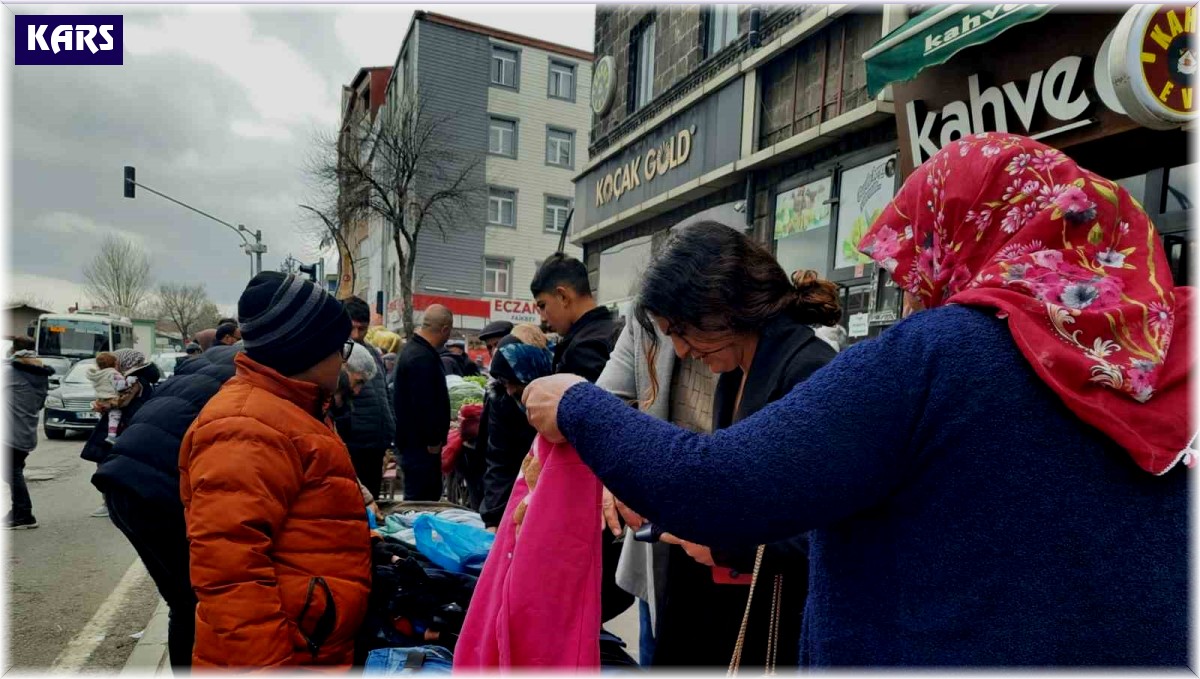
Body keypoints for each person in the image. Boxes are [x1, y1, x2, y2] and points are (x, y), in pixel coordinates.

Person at [521, 134, 1193, 667]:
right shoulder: (1161, 368)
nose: (910, 290)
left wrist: (577, 404)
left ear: (970, 233)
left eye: (918, 258)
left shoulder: (943, 355)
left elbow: (718, 482)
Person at [616, 222, 840, 668]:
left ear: (723, 307)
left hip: (771, 617)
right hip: (716, 606)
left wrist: (727, 542)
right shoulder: (736, 370)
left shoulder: (810, 372)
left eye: (682, 331)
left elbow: (831, 529)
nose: (679, 351)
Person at [179, 271, 370, 668]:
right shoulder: (247, 426)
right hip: (284, 654)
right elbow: (230, 575)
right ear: (307, 352)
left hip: (311, 643)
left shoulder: (291, 410)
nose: (342, 360)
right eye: (341, 349)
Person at [92, 340, 242, 668]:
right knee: (192, 600)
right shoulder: (249, 385)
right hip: (153, 490)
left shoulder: (216, 363)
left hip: (122, 478)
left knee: (183, 599)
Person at [478, 324, 544, 528]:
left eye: (514, 382)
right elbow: (499, 460)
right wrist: (493, 518)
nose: (509, 389)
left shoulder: (556, 399)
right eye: (504, 381)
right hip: (514, 493)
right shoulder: (501, 400)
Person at [81, 349, 161, 518]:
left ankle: (112, 503)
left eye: (118, 361)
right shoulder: (137, 377)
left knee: (109, 462)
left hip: (124, 426)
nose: (116, 364)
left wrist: (102, 405)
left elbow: (121, 402)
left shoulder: (135, 380)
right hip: (126, 425)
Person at [334, 297, 396, 499]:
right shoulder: (337, 355)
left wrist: (388, 433)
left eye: (362, 329)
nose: (356, 335)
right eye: (352, 328)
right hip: (353, 447)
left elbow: (383, 394)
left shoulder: (372, 353)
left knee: (372, 502)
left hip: (375, 446)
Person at [393, 305, 453, 501]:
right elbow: (425, 404)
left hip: (413, 446)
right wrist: (433, 440)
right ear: (445, 329)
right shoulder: (421, 357)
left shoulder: (414, 351)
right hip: (420, 449)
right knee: (422, 502)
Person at [531, 253, 617, 382]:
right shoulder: (617, 330)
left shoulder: (582, 350)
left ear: (562, 296)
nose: (543, 318)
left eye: (543, 305)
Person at [3, 337, 53, 529]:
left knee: (11, 471)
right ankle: (19, 512)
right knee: (13, 471)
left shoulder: (11, 372)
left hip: (10, 432)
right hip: (26, 431)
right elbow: (40, 404)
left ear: (13, 350)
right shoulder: (40, 374)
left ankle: (24, 514)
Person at [88, 352, 132, 445]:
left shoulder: (98, 375)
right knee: (115, 416)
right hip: (112, 400)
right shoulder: (113, 373)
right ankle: (111, 436)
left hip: (101, 400)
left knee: (105, 417)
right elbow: (121, 387)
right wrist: (129, 382)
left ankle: (107, 434)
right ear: (113, 363)